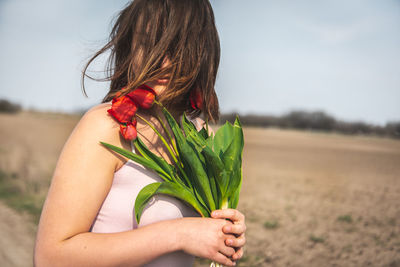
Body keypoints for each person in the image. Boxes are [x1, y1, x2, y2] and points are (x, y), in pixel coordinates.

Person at [34, 0, 246, 266]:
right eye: (148, 43)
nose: (162, 60)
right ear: (130, 47)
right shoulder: (107, 125)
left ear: (201, 51)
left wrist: (224, 231)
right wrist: (178, 234)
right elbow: (51, 256)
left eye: (176, 47)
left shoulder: (198, 135)